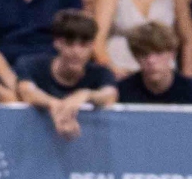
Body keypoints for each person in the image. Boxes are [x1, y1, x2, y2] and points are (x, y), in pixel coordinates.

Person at [15, 8, 119, 137]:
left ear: (92, 46)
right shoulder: (31, 65)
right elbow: (27, 92)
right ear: (57, 43)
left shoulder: (101, 73)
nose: (76, 51)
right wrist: (56, 105)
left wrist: (85, 95)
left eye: (83, 44)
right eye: (69, 44)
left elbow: (109, 95)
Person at [117, 20, 192, 103]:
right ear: (135, 57)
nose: (151, 60)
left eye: (158, 53)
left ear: (172, 53)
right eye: (144, 54)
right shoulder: (123, 91)